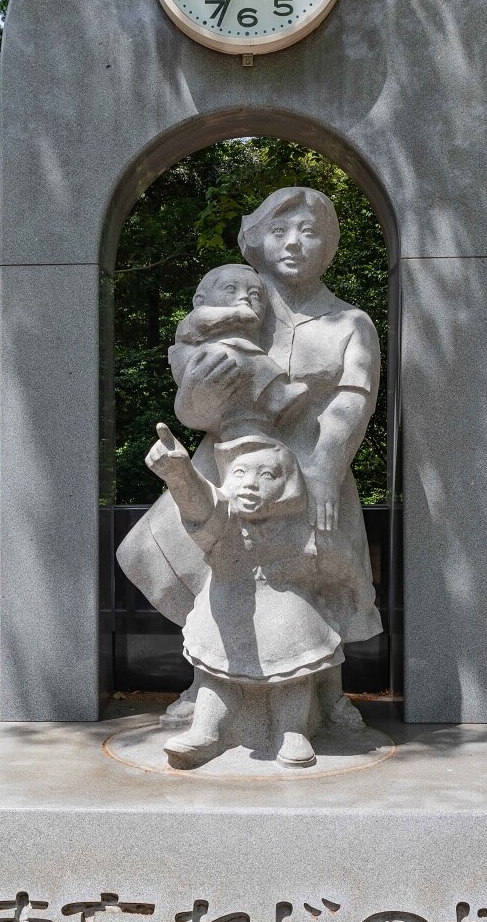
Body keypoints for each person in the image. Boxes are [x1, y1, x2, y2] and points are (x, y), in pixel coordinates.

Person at [116, 186, 382, 730]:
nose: (293, 244)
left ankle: (325, 689)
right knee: (193, 561)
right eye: (279, 231)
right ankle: (209, 676)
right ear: (256, 242)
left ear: (329, 246)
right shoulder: (237, 309)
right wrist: (202, 393)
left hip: (313, 468)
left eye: (309, 233)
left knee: (311, 572)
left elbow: (354, 399)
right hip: (225, 464)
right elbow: (191, 403)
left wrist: (328, 464)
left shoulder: (350, 322)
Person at [145, 423, 351, 768]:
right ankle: (205, 730)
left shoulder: (302, 526)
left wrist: (348, 584)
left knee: (294, 676)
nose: (250, 483)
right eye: (239, 472)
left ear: (286, 485)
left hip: (288, 618)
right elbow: (201, 509)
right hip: (228, 614)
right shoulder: (224, 518)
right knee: (217, 679)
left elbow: (336, 562)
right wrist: (180, 474)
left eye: (266, 474)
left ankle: (292, 730)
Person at [169, 263, 308, 439]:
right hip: (198, 361)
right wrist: (238, 314)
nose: (244, 298)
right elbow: (202, 322)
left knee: (257, 362)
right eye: (230, 289)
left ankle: (276, 396)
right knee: (251, 360)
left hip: (230, 370)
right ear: (200, 301)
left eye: (255, 294)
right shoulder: (198, 315)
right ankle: (275, 396)